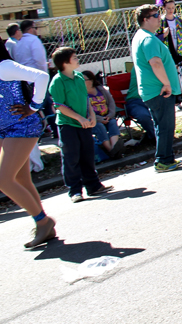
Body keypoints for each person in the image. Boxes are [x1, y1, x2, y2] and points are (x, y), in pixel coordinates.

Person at [0, 40, 56, 248]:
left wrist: (33, 106)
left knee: (4, 180)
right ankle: (44, 225)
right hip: (4, 129)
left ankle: (43, 221)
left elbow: (41, 76)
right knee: (21, 179)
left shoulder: (3, 66)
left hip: (21, 126)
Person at [48, 47, 113, 202]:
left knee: (87, 155)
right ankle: (75, 191)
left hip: (84, 124)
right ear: (65, 63)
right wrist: (79, 118)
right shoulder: (57, 82)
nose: (78, 59)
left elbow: (85, 100)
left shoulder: (78, 77)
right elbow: (59, 106)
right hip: (68, 125)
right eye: (74, 58)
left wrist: (91, 116)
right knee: (71, 157)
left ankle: (93, 186)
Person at [131, 5, 182, 172]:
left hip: (154, 90)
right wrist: (167, 84)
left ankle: (167, 158)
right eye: (155, 16)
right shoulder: (147, 39)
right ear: (145, 19)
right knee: (165, 126)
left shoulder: (144, 36)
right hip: (158, 90)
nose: (159, 18)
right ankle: (163, 160)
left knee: (164, 125)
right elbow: (155, 62)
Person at [82, 70, 122, 159]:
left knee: (112, 123)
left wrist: (110, 115)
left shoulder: (100, 88)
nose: (82, 82)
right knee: (99, 126)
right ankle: (112, 150)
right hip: (93, 120)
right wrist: (99, 119)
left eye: (85, 80)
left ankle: (115, 148)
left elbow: (111, 102)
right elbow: (85, 111)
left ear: (91, 80)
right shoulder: (82, 94)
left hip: (107, 116)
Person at [157, 0, 182, 65]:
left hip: (180, 51)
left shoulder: (178, 20)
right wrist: (164, 35)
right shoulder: (161, 21)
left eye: (173, 8)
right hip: (168, 52)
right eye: (168, 8)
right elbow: (156, 38)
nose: (171, 10)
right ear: (164, 8)